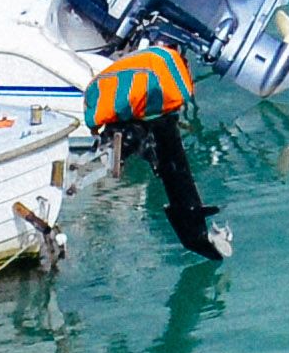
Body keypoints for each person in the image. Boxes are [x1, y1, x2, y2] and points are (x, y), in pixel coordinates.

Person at [93, 39, 227, 264]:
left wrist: (96, 130)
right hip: (152, 109)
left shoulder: (164, 67)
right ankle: (190, 216)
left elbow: (98, 116)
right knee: (170, 158)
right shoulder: (170, 67)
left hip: (148, 108)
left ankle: (189, 214)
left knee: (168, 160)